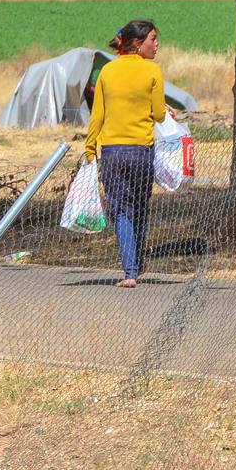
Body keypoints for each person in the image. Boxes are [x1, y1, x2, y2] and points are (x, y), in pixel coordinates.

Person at [84, 20, 165, 288]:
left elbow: (98, 114)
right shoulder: (152, 71)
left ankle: (129, 271)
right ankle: (137, 263)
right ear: (137, 43)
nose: (156, 44)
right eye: (153, 39)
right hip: (141, 150)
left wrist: (90, 147)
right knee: (140, 209)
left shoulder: (107, 71)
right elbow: (159, 114)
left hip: (112, 152)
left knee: (121, 211)